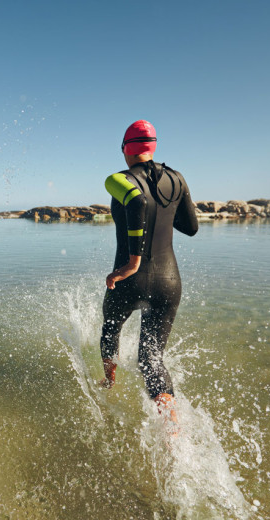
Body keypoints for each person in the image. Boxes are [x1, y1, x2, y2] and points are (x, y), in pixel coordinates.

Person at [99, 120, 198, 419]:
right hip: (169, 281)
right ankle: (172, 424)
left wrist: (133, 262)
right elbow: (191, 227)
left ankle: (108, 382)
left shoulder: (117, 179)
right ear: (152, 147)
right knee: (151, 359)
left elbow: (138, 201)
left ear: (126, 150)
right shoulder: (177, 179)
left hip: (130, 279)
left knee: (111, 328)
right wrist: (165, 214)